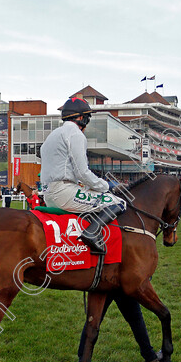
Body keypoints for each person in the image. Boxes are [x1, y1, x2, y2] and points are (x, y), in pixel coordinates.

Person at [39, 96, 126, 256]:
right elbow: (82, 172)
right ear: (80, 117)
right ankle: (90, 233)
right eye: (87, 117)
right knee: (118, 202)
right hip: (64, 192)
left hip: (48, 193)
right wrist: (106, 186)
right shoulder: (76, 134)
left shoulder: (52, 135)